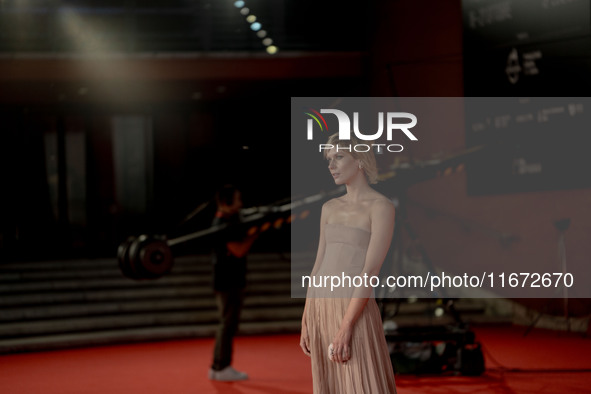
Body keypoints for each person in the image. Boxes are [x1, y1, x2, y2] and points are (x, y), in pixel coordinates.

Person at [300, 133, 397, 393]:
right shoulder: (329, 208)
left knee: (364, 383)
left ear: (360, 160)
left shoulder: (381, 207)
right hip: (321, 307)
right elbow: (318, 265)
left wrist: (347, 325)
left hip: (355, 308)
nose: (331, 165)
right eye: (329, 159)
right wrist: (307, 315)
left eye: (339, 157)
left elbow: (371, 271)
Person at [208, 184, 256, 381]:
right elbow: (238, 250)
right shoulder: (222, 225)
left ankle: (219, 366)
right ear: (227, 202)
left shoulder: (226, 222)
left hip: (229, 279)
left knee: (227, 324)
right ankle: (221, 366)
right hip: (227, 281)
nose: (241, 204)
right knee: (227, 324)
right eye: (238, 200)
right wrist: (254, 234)